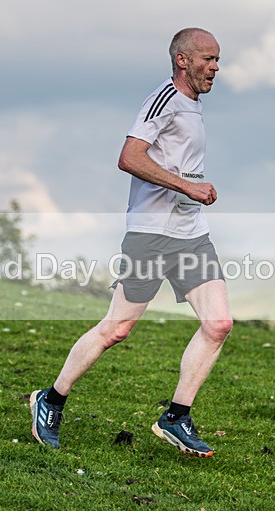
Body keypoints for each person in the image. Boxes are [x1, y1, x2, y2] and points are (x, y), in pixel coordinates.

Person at [30, 27, 232, 458]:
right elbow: (129, 157)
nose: (216, 67)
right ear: (183, 60)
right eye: (208, 59)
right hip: (151, 233)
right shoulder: (164, 101)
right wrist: (187, 186)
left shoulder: (192, 106)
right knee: (117, 329)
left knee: (218, 325)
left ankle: (176, 416)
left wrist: (193, 190)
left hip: (190, 234)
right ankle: (51, 399)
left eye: (218, 60)